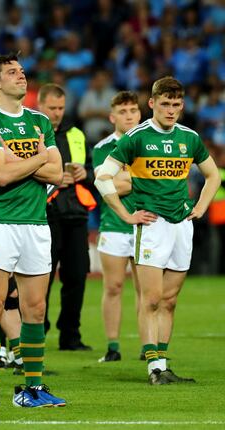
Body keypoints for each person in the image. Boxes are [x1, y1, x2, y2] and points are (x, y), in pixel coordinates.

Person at [94, 76, 221, 384]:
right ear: (151, 104)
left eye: (176, 105)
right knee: (150, 298)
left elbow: (213, 175)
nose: (171, 110)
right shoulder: (137, 137)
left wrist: (201, 206)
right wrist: (125, 214)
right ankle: (153, 368)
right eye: (165, 104)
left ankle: (163, 362)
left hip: (182, 225)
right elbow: (102, 177)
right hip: (153, 226)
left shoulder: (189, 138)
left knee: (170, 299)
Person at [0, 53, 65, 407]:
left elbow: (58, 175)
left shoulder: (40, 121)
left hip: (36, 224)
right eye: (12, 72)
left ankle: (34, 389)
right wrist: (39, 158)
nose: (21, 76)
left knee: (35, 309)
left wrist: (21, 160)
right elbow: (0, 176)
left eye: (22, 71)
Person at [37, 83, 95, 351]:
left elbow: (93, 168)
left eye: (60, 108)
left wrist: (87, 174)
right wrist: (54, 179)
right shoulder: (32, 134)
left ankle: (70, 335)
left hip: (75, 213)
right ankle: (38, 330)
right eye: (52, 108)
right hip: (44, 214)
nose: (57, 113)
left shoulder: (76, 134)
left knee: (77, 276)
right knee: (41, 277)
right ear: (40, 106)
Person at [92, 91, 142, 362]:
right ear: (113, 117)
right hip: (114, 225)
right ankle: (113, 347)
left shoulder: (149, 143)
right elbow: (107, 186)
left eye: (133, 110)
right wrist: (138, 177)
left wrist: (121, 177)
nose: (129, 116)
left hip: (147, 224)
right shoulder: (102, 148)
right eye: (123, 112)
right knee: (113, 287)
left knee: (145, 290)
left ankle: (149, 347)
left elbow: (117, 181)